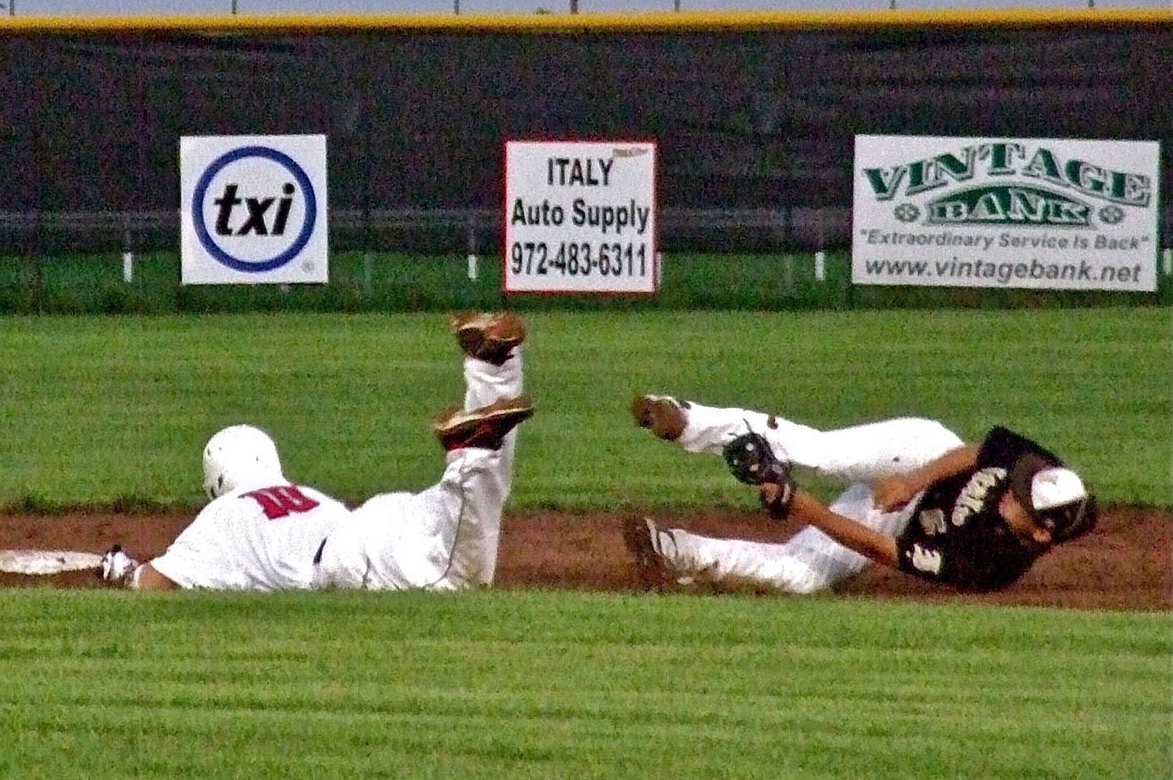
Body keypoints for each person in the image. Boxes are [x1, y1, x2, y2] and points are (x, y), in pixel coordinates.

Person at [99, 312, 533, 592]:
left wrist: (121, 570)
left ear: (217, 480)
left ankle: (470, 447)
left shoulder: (221, 516)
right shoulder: (303, 494)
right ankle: (493, 369)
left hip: (354, 558)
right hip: (378, 519)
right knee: (476, 516)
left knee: (460, 570)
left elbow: (154, 582)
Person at [624, 394, 1098, 594]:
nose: (1013, 490)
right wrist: (913, 480)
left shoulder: (990, 566)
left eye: (1021, 500)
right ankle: (687, 419)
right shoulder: (1049, 479)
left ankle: (674, 550)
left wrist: (801, 504)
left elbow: (879, 548)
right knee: (822, 452)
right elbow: (978, 452)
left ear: (1040, 533)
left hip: (900, 524)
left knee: (802, 575)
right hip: (926, 453)